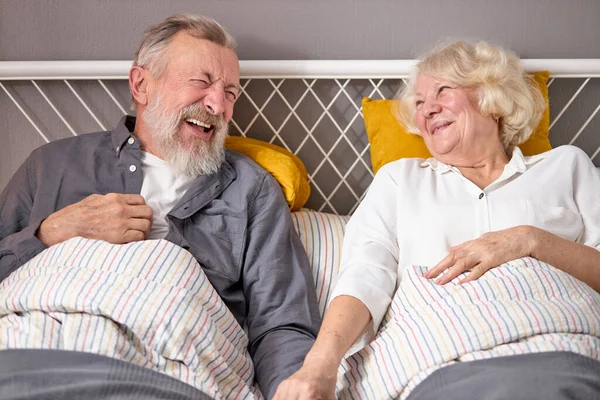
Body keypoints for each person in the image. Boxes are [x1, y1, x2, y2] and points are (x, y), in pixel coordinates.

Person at [0, 13, 321, 399]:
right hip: (31, 351)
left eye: (231, 93)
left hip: (174, 369)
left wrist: (294, 388)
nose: (218, 105)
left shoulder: (252, 190)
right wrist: (51, 233)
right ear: (141, 84)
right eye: (201, 82)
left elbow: (281, 323)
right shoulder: (50, 165)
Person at [274, 40, 600, 400]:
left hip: (562, 350)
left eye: (443, 91)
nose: (428, 109)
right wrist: (318, 368)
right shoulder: (400, 179)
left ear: (491, 99)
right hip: (442, 361)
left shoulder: (566, 166)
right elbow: (365, 274)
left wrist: (530, 240)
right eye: (419, 102)